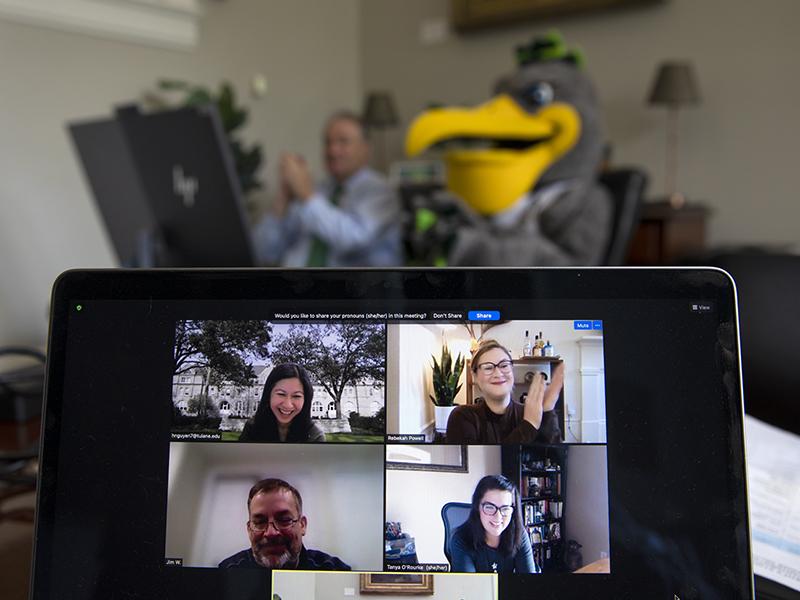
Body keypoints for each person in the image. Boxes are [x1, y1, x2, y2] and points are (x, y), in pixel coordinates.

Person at [253, 111, 401, 267]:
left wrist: (307, 195)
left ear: (365, 148)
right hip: (294, 285)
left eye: (343, 142)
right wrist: (282, 199)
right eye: (328, 142)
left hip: (356, 288)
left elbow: (351, 239)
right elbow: (264, 252)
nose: (332, 150)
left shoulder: (381, 191)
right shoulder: (318, 191)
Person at [445, 339, 563, 444]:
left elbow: (558, 460)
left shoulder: (532, 413)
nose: (498, 373)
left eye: (504, 365)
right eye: (488, 367)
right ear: (475, 376)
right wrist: (529, 426)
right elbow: (489, 462)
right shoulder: (462, 417)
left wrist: (547, 413)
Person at [219, 478, 350, 570]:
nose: (270, 533)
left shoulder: (334, 570)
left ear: (302, 525)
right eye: (259, 522)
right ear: (249, 530)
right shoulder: (227, 571)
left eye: (284, 520)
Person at [450, 475, 536, 573]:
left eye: (505, 508)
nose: (498, 517)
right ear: (477, 507)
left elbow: (529, 582)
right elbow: (467, 586)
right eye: (490, 507)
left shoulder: (519, 534)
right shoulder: (461, 539)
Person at [239, 363, 325, 442]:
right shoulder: (252, 428)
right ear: (269, 394)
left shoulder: (315, 436)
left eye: (296, 396)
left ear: (305, 399)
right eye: (281, 394)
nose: (287, 405)